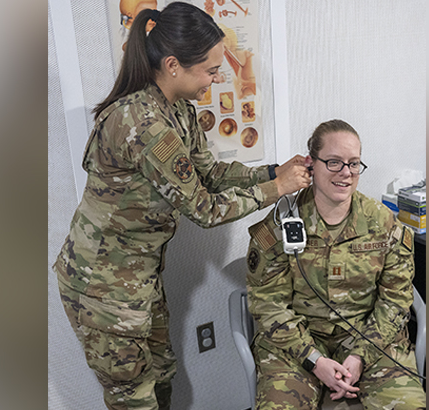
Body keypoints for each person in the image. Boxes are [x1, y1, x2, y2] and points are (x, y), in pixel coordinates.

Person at [53, 3, 311, 410]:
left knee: (162, 376)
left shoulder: (179, 112)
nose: (218, 76)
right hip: (102, 286)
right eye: (210, 70)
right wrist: (276, 189)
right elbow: (204, 209)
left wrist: (272, 171)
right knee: (133, 398)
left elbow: (209, 172)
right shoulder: (143, 124)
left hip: (140, 276)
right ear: (173, 65)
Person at [246, 119, 426, 409]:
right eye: (334, 162)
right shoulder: (282, 225)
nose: (346, 173)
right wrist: (314, 361)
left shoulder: (383, 223)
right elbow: (268, 304)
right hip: (297, 343)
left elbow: (395, 300)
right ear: (310, 164)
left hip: (371, 338)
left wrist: (359, 357)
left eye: (354, 164)